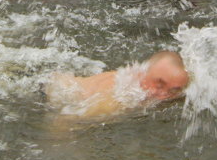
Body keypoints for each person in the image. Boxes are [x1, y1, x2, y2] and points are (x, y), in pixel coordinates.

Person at [45, 50, 190, 119]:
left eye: (172, 90)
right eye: (159, 85)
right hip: (53, 93)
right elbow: (66, 119)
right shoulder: (118, 98)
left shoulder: (145, 83)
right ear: (142, 73)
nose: (162, 94)